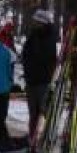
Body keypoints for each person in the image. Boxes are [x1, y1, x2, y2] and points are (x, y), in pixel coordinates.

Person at [22, 9, 58, 144]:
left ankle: (46, 137)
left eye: (37, 22)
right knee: (33, 113)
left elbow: (46, 58)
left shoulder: (49, 37)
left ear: (42, 22)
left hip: (43, 81)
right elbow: (26, 54)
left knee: (45, 111)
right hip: (31, 80)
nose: (34, 24)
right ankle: (32, 137)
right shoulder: (33, 36)